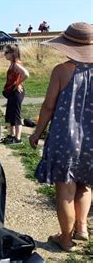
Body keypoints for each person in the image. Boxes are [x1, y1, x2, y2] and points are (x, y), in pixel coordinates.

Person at [29, 22, 92, 252]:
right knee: (85, 184)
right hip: (92, 140)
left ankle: (65, 240)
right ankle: (82, 228)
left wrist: (37, 133)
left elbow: (48, 107)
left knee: (65, 190)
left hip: (65, 138)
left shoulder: (62, 70)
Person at [1, 44, 30, 144]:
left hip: (16, 93)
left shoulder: (16, 64)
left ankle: (18, 138)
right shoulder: (13, 64)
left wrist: (18, 83)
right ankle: (12, 135)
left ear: (13, 53)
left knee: (16, 115)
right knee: (10, 114)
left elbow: (26, 74)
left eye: (6, 53)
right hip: (12, 92)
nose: (4, 55)